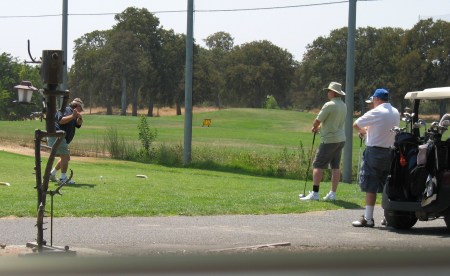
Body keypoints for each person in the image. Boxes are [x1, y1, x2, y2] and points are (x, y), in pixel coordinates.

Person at [352, 88, 400, 227]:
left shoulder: (377, 111)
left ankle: (368, 218)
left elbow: (356, 124)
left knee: (370, 185)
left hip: (374, 151)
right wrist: (368, 131)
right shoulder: (395, 111)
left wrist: (363, 132)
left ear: (376, 99)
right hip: (390, 151)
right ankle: (387, 217)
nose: (372, 103)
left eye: (373, 100)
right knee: (387, 186)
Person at [300, 82, 347, 201]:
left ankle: (315, 194)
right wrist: (320, 127)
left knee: (318, 165)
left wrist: (315, 127)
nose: (327, 92)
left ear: (333, 92)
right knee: (335, 166)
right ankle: (333, 193)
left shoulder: (329, 105)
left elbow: (318, 120)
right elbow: (331, 122)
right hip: (340, 139)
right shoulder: (343, 105)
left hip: (329, 140)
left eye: (329, 91)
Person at [48, 98, 84, 185]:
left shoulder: (74, 113)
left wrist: (79, 118)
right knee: (65, 157)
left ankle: (52, 174)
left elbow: (78, 125)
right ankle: (63, 179)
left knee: (66, 158)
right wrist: (73, 116)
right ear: (77, 106)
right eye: (81, 108)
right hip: (58, 135)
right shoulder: (65, 110)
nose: (81, 110)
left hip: (61, 137)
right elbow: (61, 120)